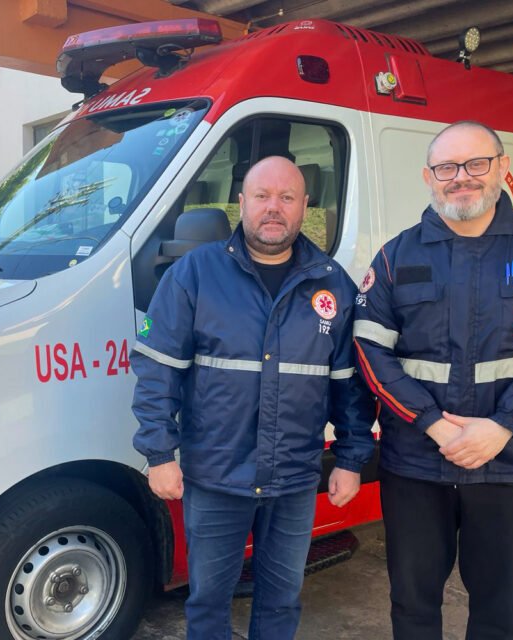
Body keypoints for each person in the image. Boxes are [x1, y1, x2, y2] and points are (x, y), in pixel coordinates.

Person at [354, 121, 513, 639]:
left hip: (508, 464)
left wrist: (503, 426)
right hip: (416, 463)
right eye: (446, 168)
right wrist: (434, 425)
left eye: (475, 164)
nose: (461, 178)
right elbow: (371, 351)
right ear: (429, 177)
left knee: (501, 610)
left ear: (502, 168)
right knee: (412, 606)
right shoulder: (397, 257)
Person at [132, 155, 375, 640]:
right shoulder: (194, 274)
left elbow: (350, 384)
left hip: (294, 478)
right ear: (241, 201)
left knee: (282, 600)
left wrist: (350, 459)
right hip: (216, 475)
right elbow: (158, 370)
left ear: (305, 206)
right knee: (208, 601)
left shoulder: (333, 285)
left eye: (287, 198)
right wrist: (159, 452)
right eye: (262, 196)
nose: (273, 208)